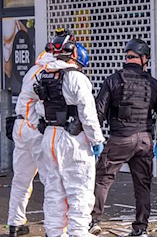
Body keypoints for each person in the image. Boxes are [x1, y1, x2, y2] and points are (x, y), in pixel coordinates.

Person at [89, 38, 157, 236]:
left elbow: (98, 111)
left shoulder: (113, 80)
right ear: (144, 59)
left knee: (103, 179)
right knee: (142, 185)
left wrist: (95, 138)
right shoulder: (153, 84)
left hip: (120, 139)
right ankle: (141, 228)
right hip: (144, 140)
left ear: (127, 57)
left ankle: (93, 221)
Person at [36, 28, 105, 236]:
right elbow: (87, 112)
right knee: (79, 192)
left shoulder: (43, 75)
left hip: (50, 136)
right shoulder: (77, 78)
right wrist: (96, 140)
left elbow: (39, 109)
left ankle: (55, 232)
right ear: (73, 53)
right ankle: (78, 232)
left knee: (54, 191)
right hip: (73, 139)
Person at [7, 52, 55, 237]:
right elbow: (43, 104)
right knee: (50, 179)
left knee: (21, 179)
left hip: (20, 127)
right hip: (34, 128)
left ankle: (15, 223)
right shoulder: (48, 73)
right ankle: (54, 225)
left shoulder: (33, 70)